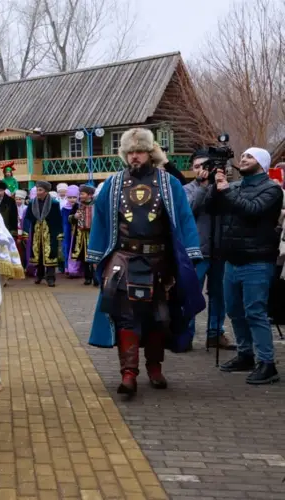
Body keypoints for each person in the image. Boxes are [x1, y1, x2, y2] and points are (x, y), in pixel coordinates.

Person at [86, 128, 204, 396]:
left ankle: (155, 368)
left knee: (159, 317)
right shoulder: (113, 184)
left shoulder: (168, 183)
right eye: (130, 152)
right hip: (124, 258)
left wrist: (191, 254)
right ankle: (128, 374)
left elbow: (184, 218)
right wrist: (96, 258)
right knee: (126, 317)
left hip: (159, 260)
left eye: (139, 151)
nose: (134, 157)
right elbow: (101, 221)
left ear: (150, 152)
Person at [207, 147, 282, 384]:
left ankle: (267, 363)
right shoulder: (235, 186)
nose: (243, 158)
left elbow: (252, 210)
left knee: (255, 312)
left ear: (261, 163)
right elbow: (212, 208)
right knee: (235, 311)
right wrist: (212, 185)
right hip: (232, 260)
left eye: (249, 156)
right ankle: (245, 354)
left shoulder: (271, 189)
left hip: (257, 261)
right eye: (243, 155)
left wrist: (225, 189)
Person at [182, 150, 234, 349]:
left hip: (220, 248)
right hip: (196, 251)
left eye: (205, 166)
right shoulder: (187, 189)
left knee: (219, 294)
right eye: (196, 167)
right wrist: (203, 188)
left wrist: (221, 187)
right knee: (190, 293)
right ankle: (186, 334)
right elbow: (188, 210)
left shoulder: (222, 188)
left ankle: (216, 333)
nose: (201, 170)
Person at [23, 181, 63, 286]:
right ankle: (39, 275)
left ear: (46, 191)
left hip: (50, 233)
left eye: (40, 190)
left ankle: (51, 278)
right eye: (37, 190)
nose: (38, 192)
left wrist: (59, 233)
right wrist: (26, 232)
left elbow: (58, 219)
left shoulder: (54, 203)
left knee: (50, 254)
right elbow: (28, 218)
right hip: (36, 233)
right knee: (38, 254)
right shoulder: (32, 203)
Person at [68, 185, 97, 285]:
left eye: (82, 194)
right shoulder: (77, 205)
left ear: (89, 195)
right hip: (81, 235)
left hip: (93, 234)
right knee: (84, 258)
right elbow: (70, 218)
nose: (80, 196)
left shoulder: (96, 204)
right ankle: (87, 277)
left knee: (94, 256)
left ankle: (95, 277)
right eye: (80, 194)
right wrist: (74, 217)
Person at [60, 185, 80, 276]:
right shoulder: (64, 208)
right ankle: (67, 267)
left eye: (74, 197)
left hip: (77, 232)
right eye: (70, 197)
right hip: (67, 231)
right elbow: (62, 221)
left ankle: (77, 269)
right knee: (67, 248)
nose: (72, 199)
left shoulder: (80, 207)